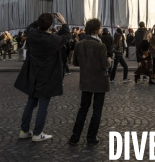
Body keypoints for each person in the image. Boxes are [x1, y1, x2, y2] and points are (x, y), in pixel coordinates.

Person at [14, 12, 70, 141]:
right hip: (47, 75)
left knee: (30, 102)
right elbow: (67, 36)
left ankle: (24, 130)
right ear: (50, 25)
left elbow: (29, 27)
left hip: (33, 74)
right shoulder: (53, 40)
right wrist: (64, 22)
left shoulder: (32, 34)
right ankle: (37, 133)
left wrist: (40, 20)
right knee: (43, 104)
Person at [69, 18, 111, 145]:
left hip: (85, 81)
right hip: (99, 82)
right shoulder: (100, 46)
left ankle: (74, 137)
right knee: (96, 110)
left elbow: (75, 62)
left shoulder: (79, 44)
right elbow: (105, 65)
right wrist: (109, 61)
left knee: (83, 109)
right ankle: (91, 137)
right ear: (97, 29)